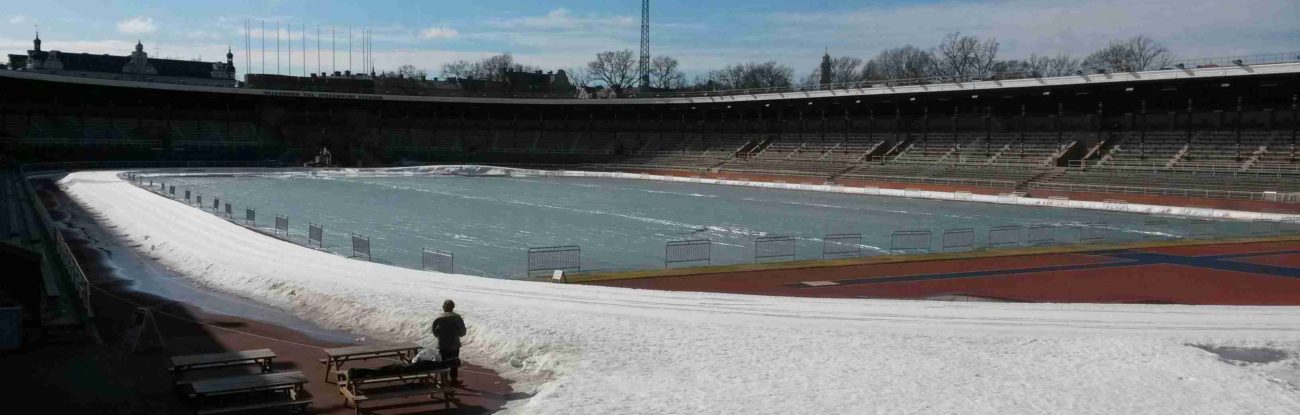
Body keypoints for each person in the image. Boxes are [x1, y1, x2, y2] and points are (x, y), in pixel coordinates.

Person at [431, 299, 467, 385]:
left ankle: (444, 380)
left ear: (444, 307)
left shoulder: (438, 318)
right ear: (453, 307)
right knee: (454, 363)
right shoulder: (457, 317)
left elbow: (435, 333)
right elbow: (463, 333)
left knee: (443, 363)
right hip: (454, 345)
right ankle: (454, 380)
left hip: (442, 344)